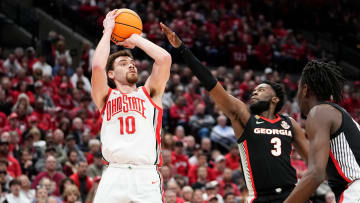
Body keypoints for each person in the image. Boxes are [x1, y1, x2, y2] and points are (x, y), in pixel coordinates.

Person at [161, 23, 309, 202]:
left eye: (261, 90)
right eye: (254, 90)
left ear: (275, 99)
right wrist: (182, 49)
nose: (255, 92)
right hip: (261, 197)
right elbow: (212, 84)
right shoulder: (245, 116)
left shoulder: (289, 123)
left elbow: (313, 161)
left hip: (292, 194)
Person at [91, 10, 171, 203]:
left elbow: (164, 59)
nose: (131, 66)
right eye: (123, 63)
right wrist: (108, 31)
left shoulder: (150, 93)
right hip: (114, 173)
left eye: (132, 62)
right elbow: (97, 67)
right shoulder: (105, 97)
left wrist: (135, 37)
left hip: (145, 174)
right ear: (111, 74)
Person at [284, 61, 360, 203]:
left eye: (298, 90)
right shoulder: (340, 115)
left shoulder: (318, 112)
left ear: (305, 89)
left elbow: (316, 173)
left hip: (355, 190)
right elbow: (325, 173)